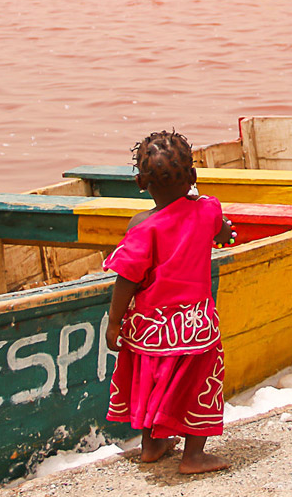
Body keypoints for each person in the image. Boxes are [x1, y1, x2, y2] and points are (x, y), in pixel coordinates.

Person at [104, 130, 237, 474]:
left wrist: (114, 322)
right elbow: (222, 231)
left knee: (151, 382)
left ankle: (152, 443)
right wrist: (226, 234)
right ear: (192, 177)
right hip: (195, 325)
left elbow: (126, 279)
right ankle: (193, 455)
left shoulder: (142, 226)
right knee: (198, 386)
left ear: (140, 183)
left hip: (150, 328)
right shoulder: (207, 209)